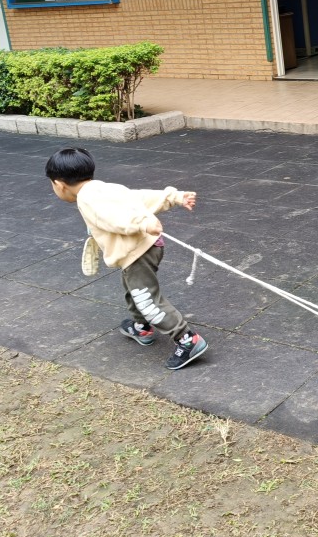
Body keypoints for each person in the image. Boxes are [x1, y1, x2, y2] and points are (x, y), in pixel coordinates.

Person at [45, 147, 207, 370]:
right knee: (134, 289)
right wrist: (173, 197)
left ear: (59, 184)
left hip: (138, 252)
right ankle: (141, 327)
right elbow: (138, 197)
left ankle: (187, 340)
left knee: (147, 299)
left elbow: (114, 217)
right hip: (147, 247)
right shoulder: (103, 187)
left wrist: (143, 223)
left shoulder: (87, 199)